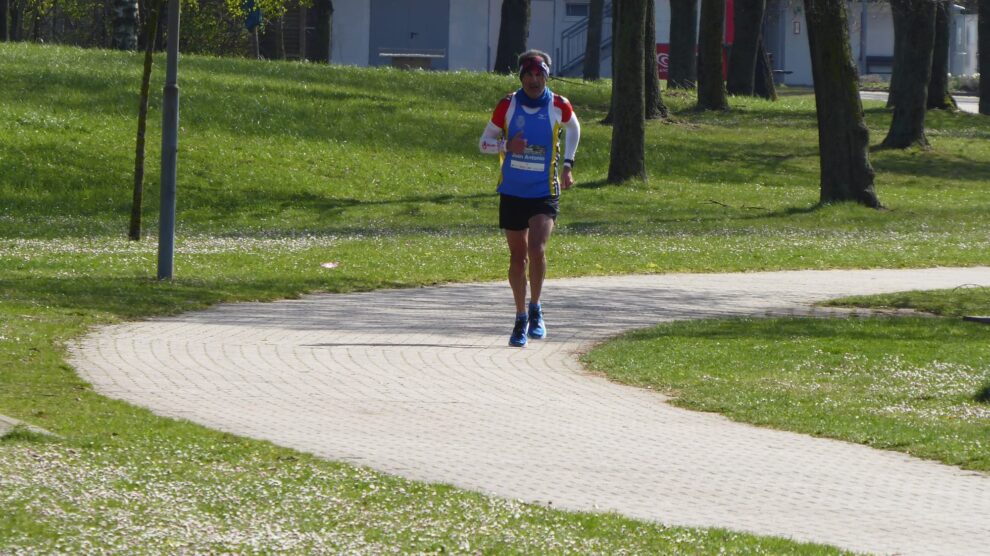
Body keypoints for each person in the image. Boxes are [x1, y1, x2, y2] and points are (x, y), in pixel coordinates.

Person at [479, 49, 581, 347]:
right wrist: (506, 144)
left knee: (537, 249)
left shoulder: (558, 104)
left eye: (540, 76)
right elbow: (483, 143)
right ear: (521, 77)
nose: (534, 81)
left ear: (546, 76)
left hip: (544, 190)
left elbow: (574, 128)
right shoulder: (508, 105)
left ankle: (536, 307)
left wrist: (567, 165)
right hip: (512, 190)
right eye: (529, 76)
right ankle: (520, 316)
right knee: (517, 257)